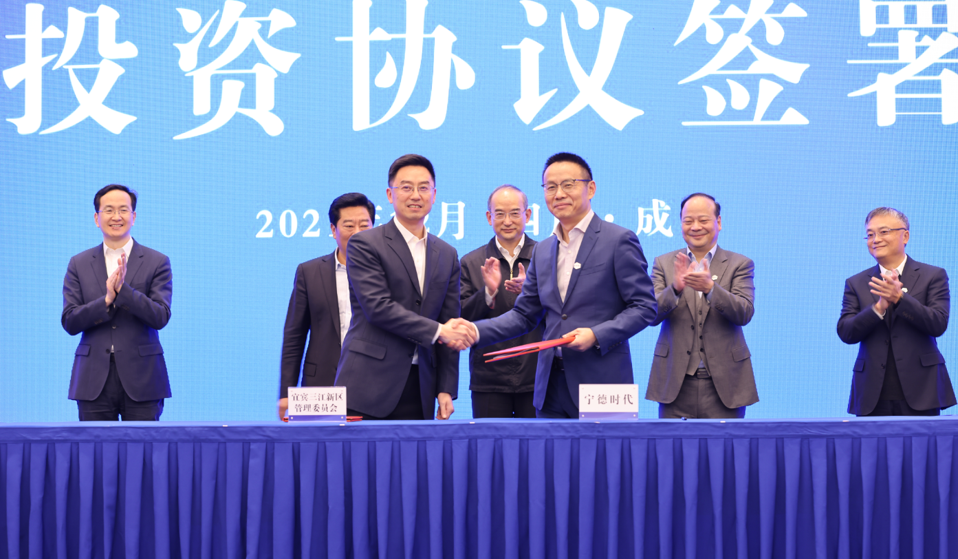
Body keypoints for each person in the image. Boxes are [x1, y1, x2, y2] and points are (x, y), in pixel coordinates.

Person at [458, 152, 657, 418]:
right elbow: (524, 315)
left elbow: (645, 307)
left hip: (602, 384)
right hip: (550, 387)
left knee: (604, 448)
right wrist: (474, 330)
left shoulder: (618, 240)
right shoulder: (543, 250)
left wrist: (596, 335)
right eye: (551, 187)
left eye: (568, 184)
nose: (559, 194)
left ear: (591, 188)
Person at [334, 154, 474, 420]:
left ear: (434, 195)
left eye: (424, 188)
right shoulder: (365, 244)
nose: (416, 195)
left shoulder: (447, 253)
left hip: (421, 386)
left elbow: (450, 320)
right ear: (390, 194)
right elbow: (378, 308)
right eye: (406, 187)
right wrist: (439, 331)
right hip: (368, 384)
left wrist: (445, 388)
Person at [61, 184, 172, 421]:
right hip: (93, 379)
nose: (116, 216)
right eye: (109, 210)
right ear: (96, 218)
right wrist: (107, 300)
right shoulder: (78, 263)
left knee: (143, 446)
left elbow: (160, 316)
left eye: (123, 210)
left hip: (143, 378)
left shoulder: (157, 261)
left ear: (133, 217)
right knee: (96, 446)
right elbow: (70, 321)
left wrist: (124, 293)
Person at [646, 193, 757, 418]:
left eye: (703, 220)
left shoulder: (740, 264)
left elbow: (744, 313)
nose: (695, 227)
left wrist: (711, 289)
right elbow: (650, 315)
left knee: (726, 442)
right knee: (673, 442)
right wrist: (675, 288)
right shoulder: (663, 263)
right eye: (688, 221)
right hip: (675, 383)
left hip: (726, 383)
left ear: (718, 222)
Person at [838, 207, 956, 416]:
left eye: (883, 232)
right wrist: (878, 308)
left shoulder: (933, 275)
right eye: (870, 235)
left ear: (905, 236)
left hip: (922, 389)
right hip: (871, 392)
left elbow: (938, 324)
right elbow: (846, 332)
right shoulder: (856, 282)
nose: (876, 239)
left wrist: (900, 298)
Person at [277, 193, 375, 420]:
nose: (357, 232)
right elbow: (294, 336)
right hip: (320, 388)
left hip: (375, 386)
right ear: (333, 230)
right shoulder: (309, 272)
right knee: (320, 443)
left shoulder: (388, 273)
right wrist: (286, 392)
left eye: (364, 225)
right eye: (349, 225)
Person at [460, 185, 542, 418]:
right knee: (490, 442)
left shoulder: (545, 257)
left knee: (535, 441)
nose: (507, 221)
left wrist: (533, 292)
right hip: (488, 378)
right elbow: (462, 316)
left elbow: (561, 311)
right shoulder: (471, 261)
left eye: (515, 213)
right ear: (489, 217)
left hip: (536, 375)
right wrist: (487, 292)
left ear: (527, 215)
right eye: (500, 214)